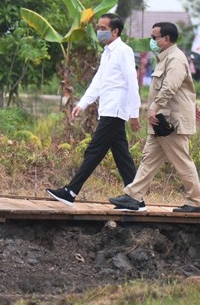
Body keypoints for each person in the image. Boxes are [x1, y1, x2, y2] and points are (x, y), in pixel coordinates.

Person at [110, 22, 200, 214]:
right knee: (149, 159)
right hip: (162, 121)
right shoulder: (165, 59)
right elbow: (183, 89)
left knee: (182, 161)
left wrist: (153, 109)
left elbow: (170, 87)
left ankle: (196, 202)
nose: (151, 41)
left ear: (166, 39)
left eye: (154, 37)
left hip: (171, 123)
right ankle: (133, 196)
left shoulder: (175, 59)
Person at [46, 14, 141, 207]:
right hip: (107, 108)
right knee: (121, 155)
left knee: (94, 150)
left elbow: (133, 82)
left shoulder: (124, 51)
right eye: (99, 27)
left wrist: (134, 113)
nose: (99, 31)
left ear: (115, 31)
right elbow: (98, 82)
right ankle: (136, 198)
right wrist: (82, 104)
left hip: (116, 109)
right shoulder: (107, 53)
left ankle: (71, 191)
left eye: (103, 28)